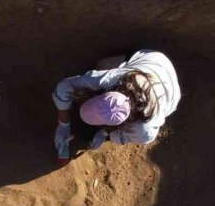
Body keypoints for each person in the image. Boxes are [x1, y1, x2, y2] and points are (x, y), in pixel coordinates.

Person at [52, 49, 181, 154]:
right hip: (153, 59)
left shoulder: (144, 130)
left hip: (172, 93)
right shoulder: (113, 78)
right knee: (100, 66)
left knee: (88, 135)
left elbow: (125, 135)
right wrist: (64, 125)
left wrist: (104, 133)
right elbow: (64, 86)